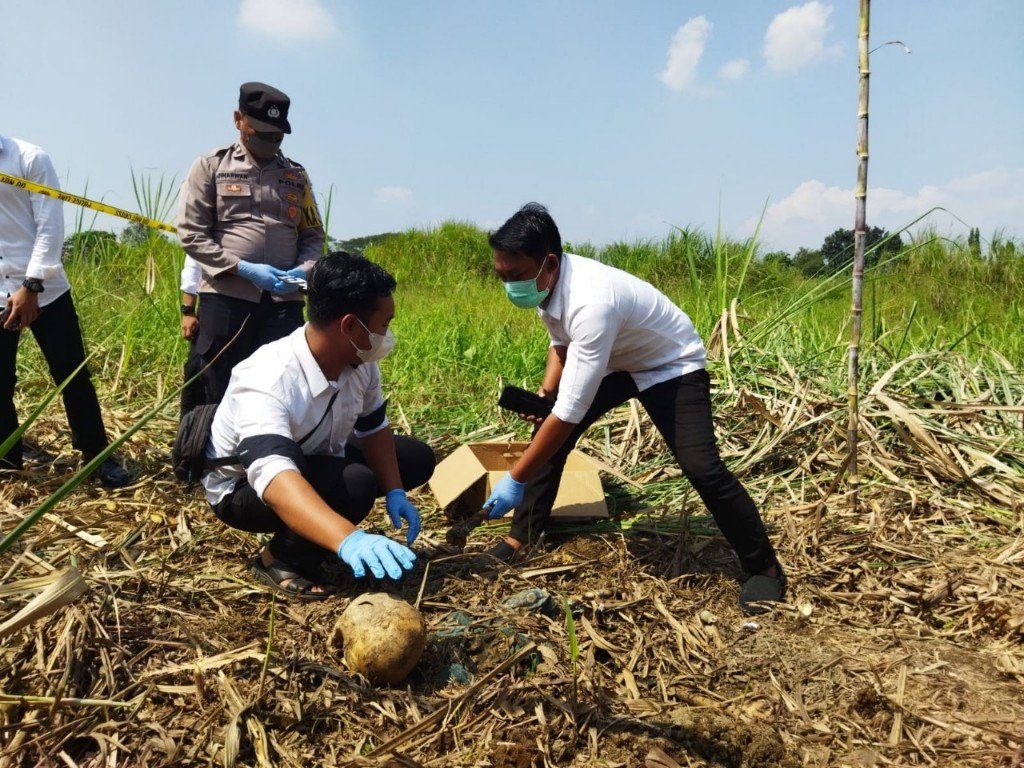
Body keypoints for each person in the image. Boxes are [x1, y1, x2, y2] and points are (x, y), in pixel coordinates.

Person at [476, 203, 786, 614]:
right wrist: (547, 390)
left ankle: (764, 567)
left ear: (548, 262)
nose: (509, 285)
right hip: (618, 361)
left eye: (514, 276)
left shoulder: (592, 302)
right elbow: (561, 343)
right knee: (547, 435)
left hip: (670, 364)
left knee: (701, 467)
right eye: (502, 277)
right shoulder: (546, 283)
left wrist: (516, 476)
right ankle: (522, 537)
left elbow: (569, 414)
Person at [202, 251, 436, 599]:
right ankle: (281, 558)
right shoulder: (267, 376)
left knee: (414, 458)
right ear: (350, 326)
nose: (387, 335)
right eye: (384, 325)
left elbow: (373, 427)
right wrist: (347, 537)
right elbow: (273, 476)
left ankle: (321, 524)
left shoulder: (359, 361)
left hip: (314, 453)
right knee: (355, 485)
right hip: (243, 488)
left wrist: (395, 491)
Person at [177, 82, 325, 406]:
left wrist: (305, 270)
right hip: (227, 297)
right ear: (238, 120)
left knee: (278, 385)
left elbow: (313, 236)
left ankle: (261, 454)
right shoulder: (211, 166)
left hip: (283, 303)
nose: (269, 143)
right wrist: (242, 268)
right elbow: (191, 232)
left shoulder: (297, 177)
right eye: (259, 133)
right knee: (213, 381)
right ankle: (203, 456)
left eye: (277, 136)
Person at [0, 134, 131, 487]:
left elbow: (50, 225)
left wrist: (31, 285)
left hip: (45, 291)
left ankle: (96, 455)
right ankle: (7, 462)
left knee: (72, 377)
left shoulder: (29, 158)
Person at [178, 256, 204, 415]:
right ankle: (190, 434)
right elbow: (195, 260)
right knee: (197, 369)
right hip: (219, 300)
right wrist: (188, 310)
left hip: (275, 303)